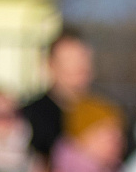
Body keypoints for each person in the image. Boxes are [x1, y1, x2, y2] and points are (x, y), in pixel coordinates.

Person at [22, 29, 94, 161]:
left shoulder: (104, 113)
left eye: (82, 58)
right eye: (69, 60)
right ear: (51, 64)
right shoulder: (31, 116)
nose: (79, 66)